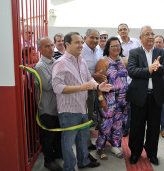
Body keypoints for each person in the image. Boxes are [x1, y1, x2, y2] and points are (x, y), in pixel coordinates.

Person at [52, 32, 112, 170]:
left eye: (81, 42)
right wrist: (80, 87)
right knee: (68, 142)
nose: (80, 45)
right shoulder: (60, 63)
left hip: (82, 108)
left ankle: (83, 161)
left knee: (82, 138)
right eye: (77, 42)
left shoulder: (81, 60)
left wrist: (97, 86)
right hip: (69, 111)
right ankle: (69, 167)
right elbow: (57, 87)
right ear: (67, 44)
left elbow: (88, 79)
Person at [127, 26, 164, 166]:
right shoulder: (134, 52)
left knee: (153, 128)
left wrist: (158, 67)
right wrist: (149, 69)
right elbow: (132, 71)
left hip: (155, 96)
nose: (151, 36)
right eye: (147, 34)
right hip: (139, 96)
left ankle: (152, 153)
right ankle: (135, 152)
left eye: (152, 34)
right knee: (136, 127)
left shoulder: (161, 51)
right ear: (141, 38)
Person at [95, 37, 129, 160]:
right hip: (108, 98)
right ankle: (100, 148)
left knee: (119, 124)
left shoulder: (124, 60)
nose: (116, 48)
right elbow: (98, 84)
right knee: (105, 124)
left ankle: (115, 145)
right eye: (113, 46)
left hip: (123, 98)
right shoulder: (103, 61)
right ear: (108, 48)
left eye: (118, 45)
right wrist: (101, 99)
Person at [35, 37, 62, 171]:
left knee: (57, 133)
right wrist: (61, 79)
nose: (51, 48)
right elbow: (47, 85)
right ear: (39, 49)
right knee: (48, 136)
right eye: (46, 46)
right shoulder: (41, 66)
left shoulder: (55, 62)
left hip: (57, 106)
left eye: (52, 45)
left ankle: (57, 153)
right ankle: (48, 161)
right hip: (47, 108)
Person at [117, 23, 141, 136]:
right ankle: (123, 127)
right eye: (120, 30)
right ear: (118, 32)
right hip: (121, 78)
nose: (123, 31)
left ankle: (130, 127)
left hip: (135, 77)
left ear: (129, 30)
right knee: (123, 104)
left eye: (124, 29)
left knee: (133, 105)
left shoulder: (136, 42)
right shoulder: (116, 44)